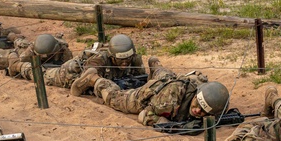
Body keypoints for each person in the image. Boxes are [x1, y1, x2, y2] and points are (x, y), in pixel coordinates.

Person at [75, 58, 230, 128]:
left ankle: (156, 66)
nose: (197, 110)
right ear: (196, 95)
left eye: (203, 112)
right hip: (148, 96)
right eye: (197, 105)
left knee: (165, 75)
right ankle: (94, 79)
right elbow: (145, 115)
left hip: (170, 81)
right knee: (115, 99)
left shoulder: (209, 96)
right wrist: (168, 125)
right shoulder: (168, 102)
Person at [67, 34, 149, 95]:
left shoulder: (135, 59)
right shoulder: (100, 59)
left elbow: (141, 78)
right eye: (120, 59)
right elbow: (86, 76)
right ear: (112, 57)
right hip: (69, 72)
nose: (124, 62)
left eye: (128, 58)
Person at [0, 33, 72, 81]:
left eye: (48, 55)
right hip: (21, 51)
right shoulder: (31, 49)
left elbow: (68, 64)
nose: (45, 57)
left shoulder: (63, 49)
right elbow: (19, 61)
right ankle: (13, 37)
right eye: (42, 56)